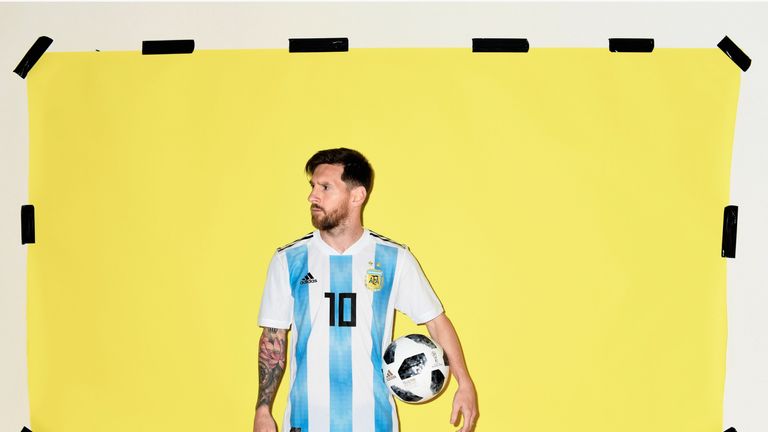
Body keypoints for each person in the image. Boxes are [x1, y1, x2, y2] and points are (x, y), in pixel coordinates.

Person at [253, 148, 478, 432]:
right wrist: (263, 409)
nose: (313, 196)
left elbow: (436, 321)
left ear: (357, 196)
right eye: (313, 187)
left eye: (325, 187)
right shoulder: (289, 260)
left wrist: (465, 383)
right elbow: (273, 338)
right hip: (305, 421)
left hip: (375, 422)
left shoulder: (393, 258)